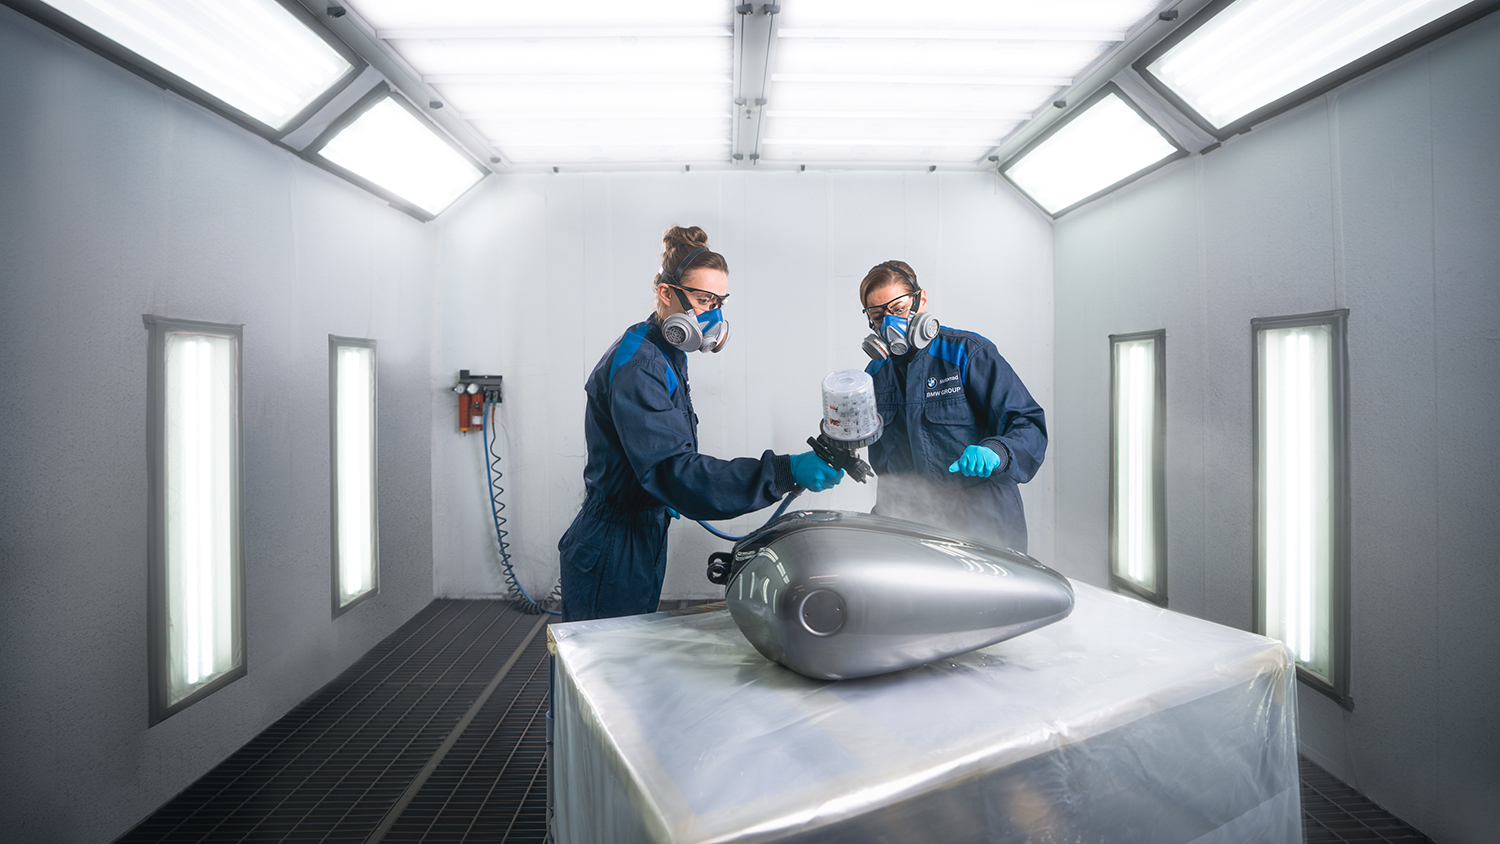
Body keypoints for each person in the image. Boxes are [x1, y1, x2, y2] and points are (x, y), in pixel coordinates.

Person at [558, 226, 844, 622]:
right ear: (665, 293)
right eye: (704, 300)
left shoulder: (663, 350)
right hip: (613, 543)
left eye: (719, 301)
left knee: (627, 656)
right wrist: (783, 470)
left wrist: (657, 495)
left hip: (640, 529)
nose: (714, 315)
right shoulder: (639, 365)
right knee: (601, 672)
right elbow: (674, 469)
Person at [857, 261, 1047, 553]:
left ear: (921, 301)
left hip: (982, 524)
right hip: (909, 526)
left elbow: (1028, 424)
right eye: (879, 314)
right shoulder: (875, 373)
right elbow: (882, 461)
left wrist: (997, 451)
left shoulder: (967, 353)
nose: (890, 322)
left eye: (898, 308)